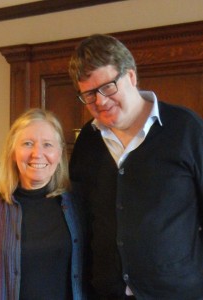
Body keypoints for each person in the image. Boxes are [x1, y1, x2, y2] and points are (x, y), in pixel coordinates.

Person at [68, 33, 203, 300]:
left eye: (107, 87)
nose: (100, 101)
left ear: (131, 76)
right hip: (107, 294)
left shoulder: (186, 128)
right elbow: (81, 219)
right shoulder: (87, 140)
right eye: (89, 94)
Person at [0, 108, 86, 300]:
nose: (37, 153)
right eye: (28, 144)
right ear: (13, 151)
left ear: (60, 152)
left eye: (47, 145)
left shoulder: (78, 204)